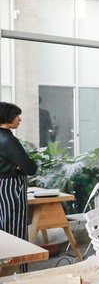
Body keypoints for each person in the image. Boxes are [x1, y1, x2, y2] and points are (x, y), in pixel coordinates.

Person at [0, 103, 37, 274]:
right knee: (15, 230)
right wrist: (19, 167)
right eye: (16, 115)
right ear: (7, 117)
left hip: (2, 187)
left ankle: (6, 273)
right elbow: (30, 168)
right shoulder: (8, 140)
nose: (19, 119)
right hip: (11, 189)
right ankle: (20, 273)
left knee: (4, 230)